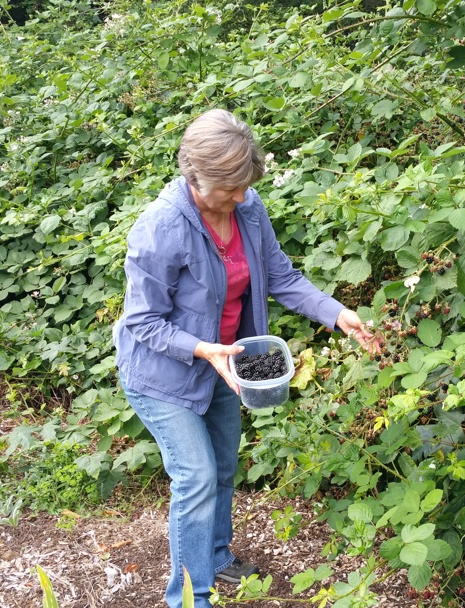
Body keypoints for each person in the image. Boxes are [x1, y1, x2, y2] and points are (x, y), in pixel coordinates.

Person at [113, 109, 378, 608]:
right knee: (196, 476)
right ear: (196, 176)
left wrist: (338, 314)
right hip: (164, 372)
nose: (240, 198)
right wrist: (201, 349)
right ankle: (190, 599)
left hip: (228, 359)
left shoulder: (248, 208)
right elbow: (141, 321)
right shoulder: (161, 227)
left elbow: (281, 276)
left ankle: (214, 555)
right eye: (229, 189)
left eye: (245, 186)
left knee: (225, 467)